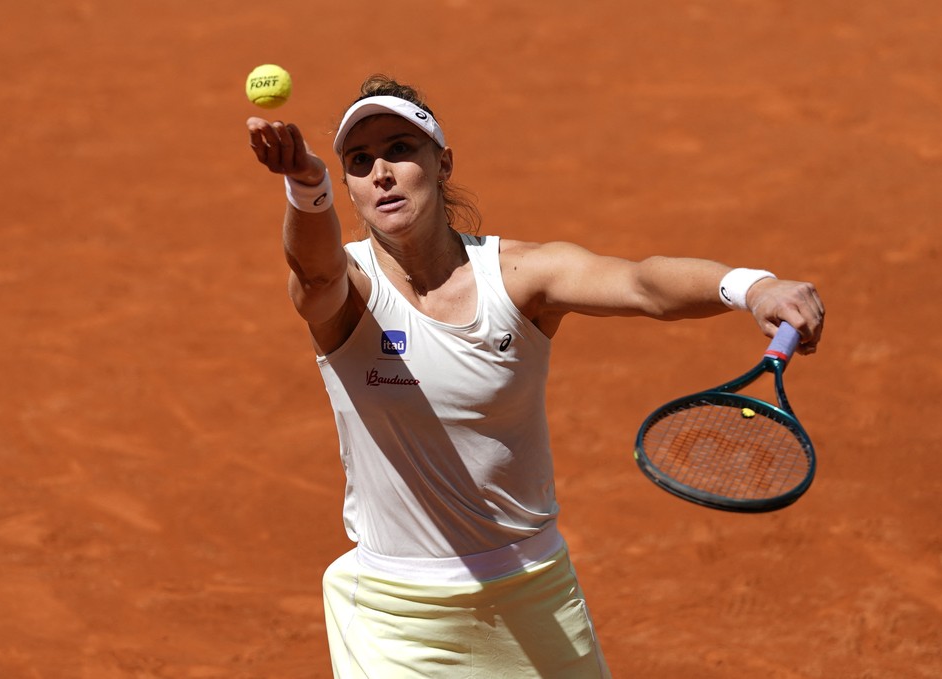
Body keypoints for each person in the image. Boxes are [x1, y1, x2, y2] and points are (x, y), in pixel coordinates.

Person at [246, 74, 825, 678]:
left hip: (532, 599)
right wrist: (306, 187)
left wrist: (753, 286)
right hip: (397, 617)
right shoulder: (351, 290)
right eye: (359, 162)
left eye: (400, 149)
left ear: (442, 163)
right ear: (349, 188)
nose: (381, 172)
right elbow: (314, 275)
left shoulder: (519, 276)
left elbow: (641, 283)